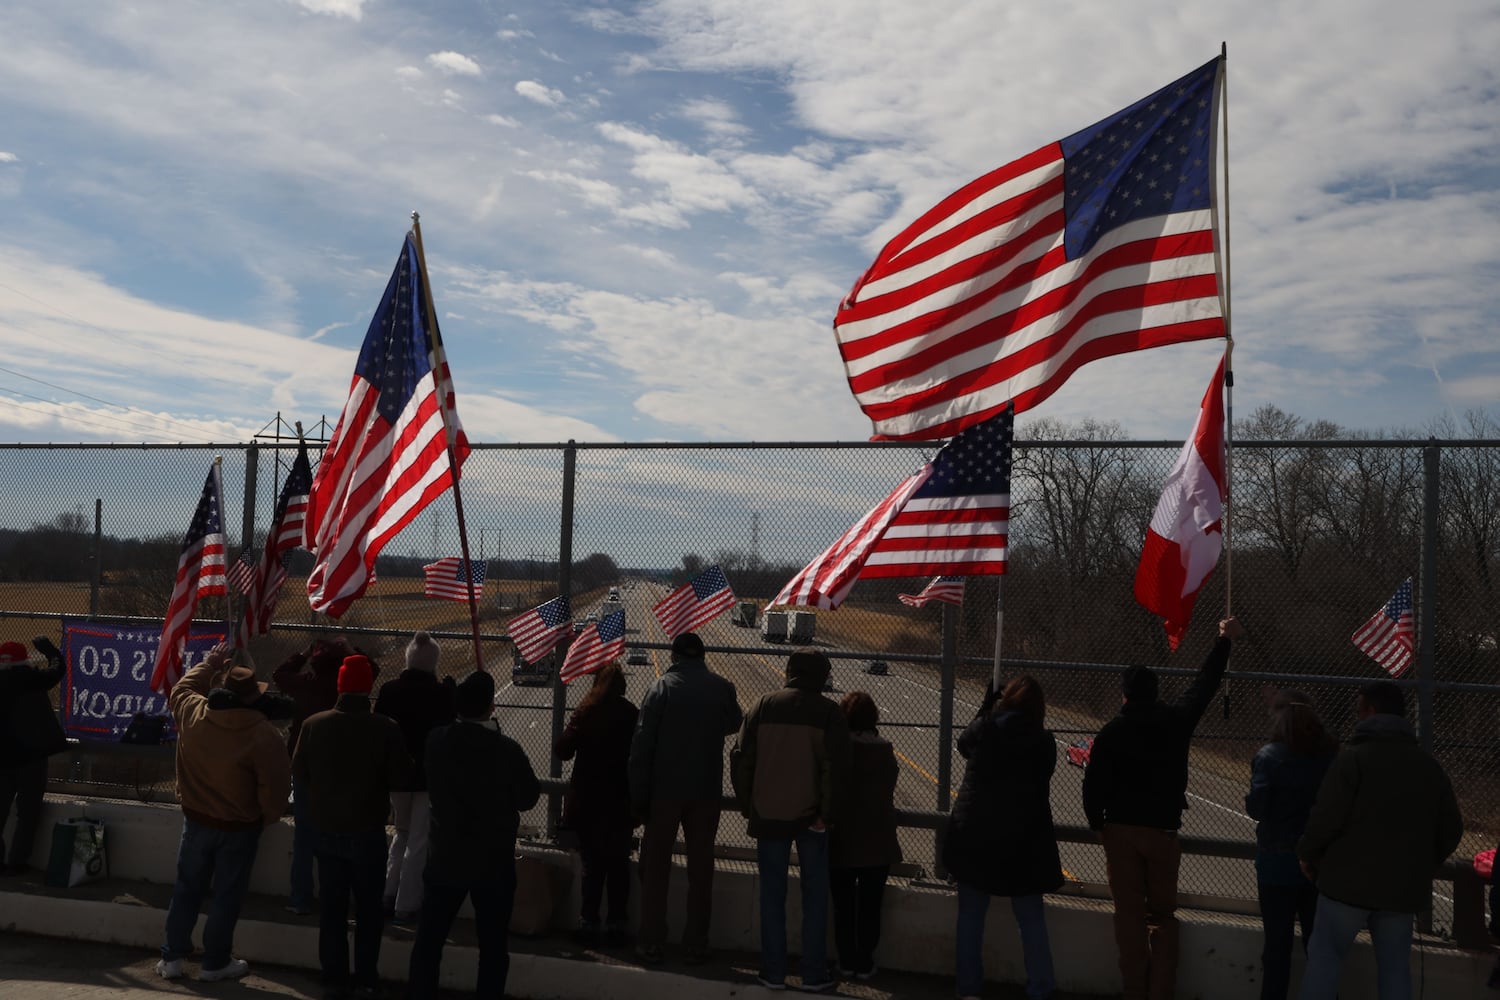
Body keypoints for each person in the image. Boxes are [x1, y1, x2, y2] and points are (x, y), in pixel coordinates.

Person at [1081, 616, 1243, 1000]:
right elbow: (1204, 686)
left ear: (1124, 695)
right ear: (1155, 693)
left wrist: (1096, 822)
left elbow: (1093, 782)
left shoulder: (1110, 733)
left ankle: (1134, 989)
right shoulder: (1175, 721)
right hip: (1163, 830)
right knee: (1163, 916)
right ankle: (1161, 991)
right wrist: (1224, 642)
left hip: (1119, 829)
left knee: (1129, 915)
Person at [1296, 680, 1463, 1000]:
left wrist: (1308, 853)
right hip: (1401, 891)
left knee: (1325, 960)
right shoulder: (1428, 767)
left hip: (1345, 886)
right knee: (1395, 968)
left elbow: (1326, 816)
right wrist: (1421, 864)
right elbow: (1451, 829)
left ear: (1370, 711)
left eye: (1359, 710)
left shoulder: (1353, 759)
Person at [156, 643, 291, 982]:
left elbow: (183, 688)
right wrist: (266, 816)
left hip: (197, 819)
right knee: (227, 895)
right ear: (252, 697)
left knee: (187, 888)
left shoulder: (193, 712)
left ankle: (171, 958)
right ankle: (215, 962)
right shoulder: (263, 734)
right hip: (240, 826)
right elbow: (275, 787)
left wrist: (209, 663)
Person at [408, 670, 541, 1000]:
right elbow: (528, 797)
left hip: (446, 857)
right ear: (491, 707)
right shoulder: (506, 750)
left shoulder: (436, 741)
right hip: (492, 862)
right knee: (493, 948)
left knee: (429, 941)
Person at [292, 653, 412, 1000]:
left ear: (341, 686)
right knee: (369, 913)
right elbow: (402, 778)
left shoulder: (313, 725)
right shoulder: (386, 728)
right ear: (369, 686)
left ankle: (333, 976)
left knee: (331, 909)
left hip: (326, 831)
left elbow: (298, 772)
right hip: (367, 833)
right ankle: (366, 978)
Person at [732, 648, 851, 993]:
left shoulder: (763, 705)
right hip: (811, 818)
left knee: (772, 895)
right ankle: (813, 973)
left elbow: (740, 759)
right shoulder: (829, 713)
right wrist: (825, 815)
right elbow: (837, 769)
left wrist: (748, 805)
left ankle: (773, 971)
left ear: (789, 671)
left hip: (768, 814)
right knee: (815, 897)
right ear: (820, 675)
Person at [942, 675, 1062, 1000]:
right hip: (1023, 838)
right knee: (1030, 919)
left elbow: (963, 745)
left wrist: (987, 708)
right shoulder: (1044, 741)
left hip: (976, 834)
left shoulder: (985, 729)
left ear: (1006, 700)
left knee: (970, 917)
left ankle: (968, 989)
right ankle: (1041, 987)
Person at [627, 631, 743, 965]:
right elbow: (733, 722)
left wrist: (638, 797)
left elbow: (641, 748)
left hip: (664, 792)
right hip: (705, 791)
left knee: (655, 866)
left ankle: (651, 940)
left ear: (674, 657)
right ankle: (696, 941)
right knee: (701, 869)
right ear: (702, 657)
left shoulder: (660, 688)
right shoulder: (722, 687)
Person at [1244, 689, 1338, 1000]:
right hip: (1318, 861)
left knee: (1277, 944)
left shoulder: (1270, 757)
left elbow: (1257, 807)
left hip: (1276, 860)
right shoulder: (1330, 757)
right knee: (1318, 943)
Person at [372, 631, 455, 925]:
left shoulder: (389, 690)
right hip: (426, 779)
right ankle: (406, 904)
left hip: (397, 778)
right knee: (419, 841)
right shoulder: (443, 695)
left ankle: (386, 893)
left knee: (401, 835)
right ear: (433, 662)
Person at [556, 661, 639, 946]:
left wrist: (575, 724)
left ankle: (588, 922)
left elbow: (562, 750)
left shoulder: (586, 711)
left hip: (589, 800)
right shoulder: (631, 714)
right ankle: (617, 924)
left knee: (592, 865)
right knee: (618, 865)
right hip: (620, 800)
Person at [273, 635, 357, 915]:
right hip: (340, 767)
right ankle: (337, 899)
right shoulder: (343, 689)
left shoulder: (306, 685)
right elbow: (371, 670)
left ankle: (300, 898)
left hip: (305, 766)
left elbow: (280, 675)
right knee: (338, 833)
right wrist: (348, 650)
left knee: (304, 835)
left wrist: (303, 653)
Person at [828, 690, 900, 982]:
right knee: (871, 906)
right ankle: (865, 960)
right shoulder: (885, 751)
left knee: (843, 907)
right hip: (878, 839)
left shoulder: (839, 749)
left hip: (842, 837)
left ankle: (846, 960)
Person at [0, 637, 67, 876]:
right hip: (31, 757)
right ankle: (18, 862)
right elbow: (58, 669)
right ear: (23, 660)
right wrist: (50, 650)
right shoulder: (31, 678)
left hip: (3, 759)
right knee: (28, 814)